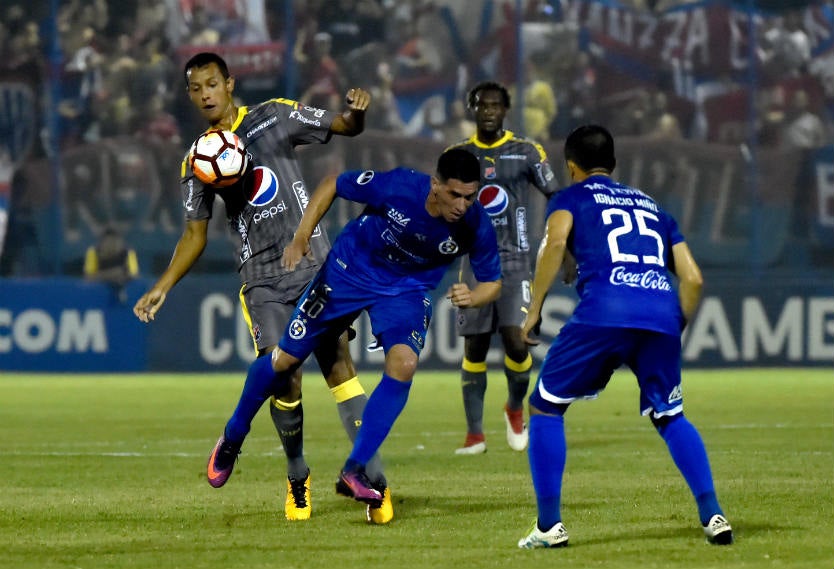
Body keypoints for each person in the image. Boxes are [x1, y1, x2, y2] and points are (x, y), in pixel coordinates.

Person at [132, 52, 392, 524]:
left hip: (313, 265)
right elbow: (194, 234)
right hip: (262, 280)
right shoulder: (197, 161)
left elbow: (343, 126)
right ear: (189, 95)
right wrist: (163, 285)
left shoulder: (274, 116)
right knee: (282, 375)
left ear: (230, 84)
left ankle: (375, 480)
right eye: (196, 88)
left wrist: (356, 113)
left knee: (339, 366)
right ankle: (297, 475)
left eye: (212, 84)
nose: (206, 94)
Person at [206, 148, 502, 513]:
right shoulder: (398, 186)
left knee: (404, 364)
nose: (462, 205)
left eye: (470, 197)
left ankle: (355, 468)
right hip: (349, 271)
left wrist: (473, 297)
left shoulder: (476, 224)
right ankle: (234, 434)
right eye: (455, 194)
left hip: (405, 290)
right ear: (436, 184)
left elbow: (493, 282)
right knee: (284, 361)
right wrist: (302, 236)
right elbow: (333, 184)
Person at [516, 124, 733, 548]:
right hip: (660, 312)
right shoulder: (654, 207)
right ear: (613, 164)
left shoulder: (570, 197)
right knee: (670, 415)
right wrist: (673, 326)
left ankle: (548, 526)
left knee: (545, 406)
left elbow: (554, 244)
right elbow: (693, 279)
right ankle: (713, 514)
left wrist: (534, 309)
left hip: (605, 310)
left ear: (571, 167)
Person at [446, 81, 560, 455]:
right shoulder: (457, 155)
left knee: (517, 340)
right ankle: (475, 434)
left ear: (506, 110)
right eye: (482, 105)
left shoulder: (527, 152)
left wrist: (563, 244)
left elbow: (555, 195)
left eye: (495, 105)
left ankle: (514, 407)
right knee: (475, 347)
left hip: (516, 262)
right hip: (475, 262)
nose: (489, 111)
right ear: (473, 108)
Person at [84, 225, 139, 301]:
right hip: (97, 295)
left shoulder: (128, 252)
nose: (112, 244)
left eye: (115, 241)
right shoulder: (93, 252)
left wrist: (121, 277)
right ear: (102, 241)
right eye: (108, 241)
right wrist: (112, 274)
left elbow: (134, 275)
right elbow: (88, 277)